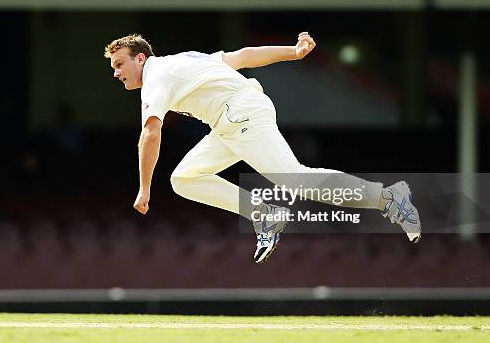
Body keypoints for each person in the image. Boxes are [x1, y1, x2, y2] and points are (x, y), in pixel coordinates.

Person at [104, 33, 421, 264]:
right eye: (114, 68)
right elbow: (243, 56)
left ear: (141, 58)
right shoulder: (182, 60)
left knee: (295, 178)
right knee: (184, 178)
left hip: (242, 114)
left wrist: (144, 188)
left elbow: (151, 131)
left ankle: (390, 198)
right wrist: (293, 52)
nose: (116, 73)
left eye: (120, 64)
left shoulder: (157, 76)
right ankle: (265, 214)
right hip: (231, 121)